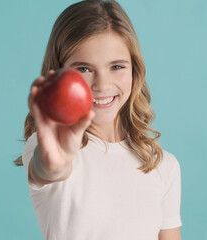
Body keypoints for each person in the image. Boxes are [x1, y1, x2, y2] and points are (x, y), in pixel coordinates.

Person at [14, 0, 182, 239]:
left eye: (116, 66)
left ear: (135, 70)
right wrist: (54, 163)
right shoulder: (50, 148)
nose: (102, 85)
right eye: (83, 69)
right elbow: (49, 168)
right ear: (59, 73)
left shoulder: (162, 164)